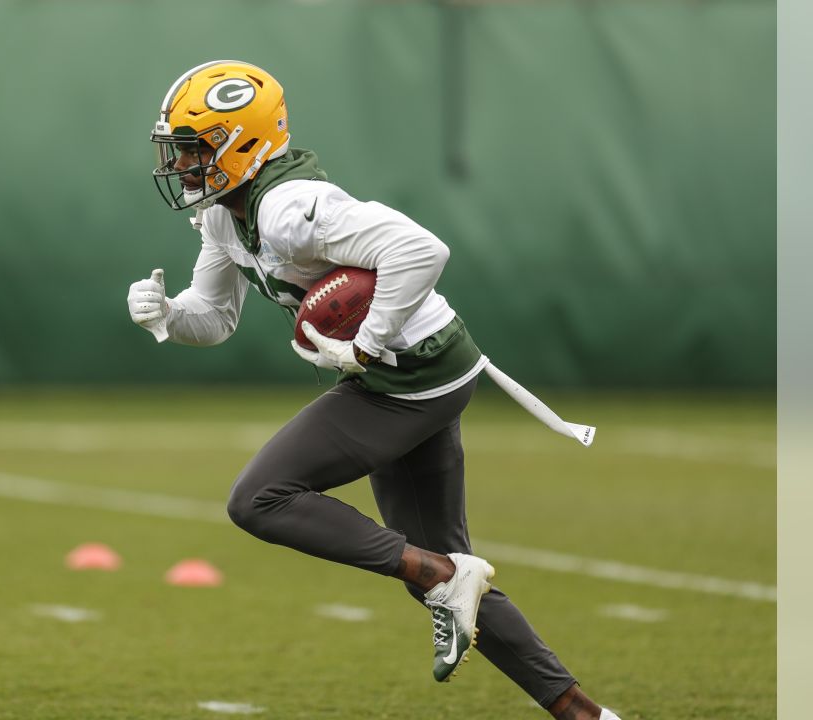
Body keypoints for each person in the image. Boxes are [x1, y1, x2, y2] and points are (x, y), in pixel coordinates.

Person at [127, 60, 619, 720]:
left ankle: (444, 576)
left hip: (409, 374)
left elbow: (421, 250)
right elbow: (214, 317)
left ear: (240, 143)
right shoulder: (228, 214)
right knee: (440, 573)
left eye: (194, 151)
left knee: (259, 499)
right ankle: (584, 713)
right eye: (180, 152)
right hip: (421, 372)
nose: (183, 168)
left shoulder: (286, 208)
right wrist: (167, 315)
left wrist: (367, 341)